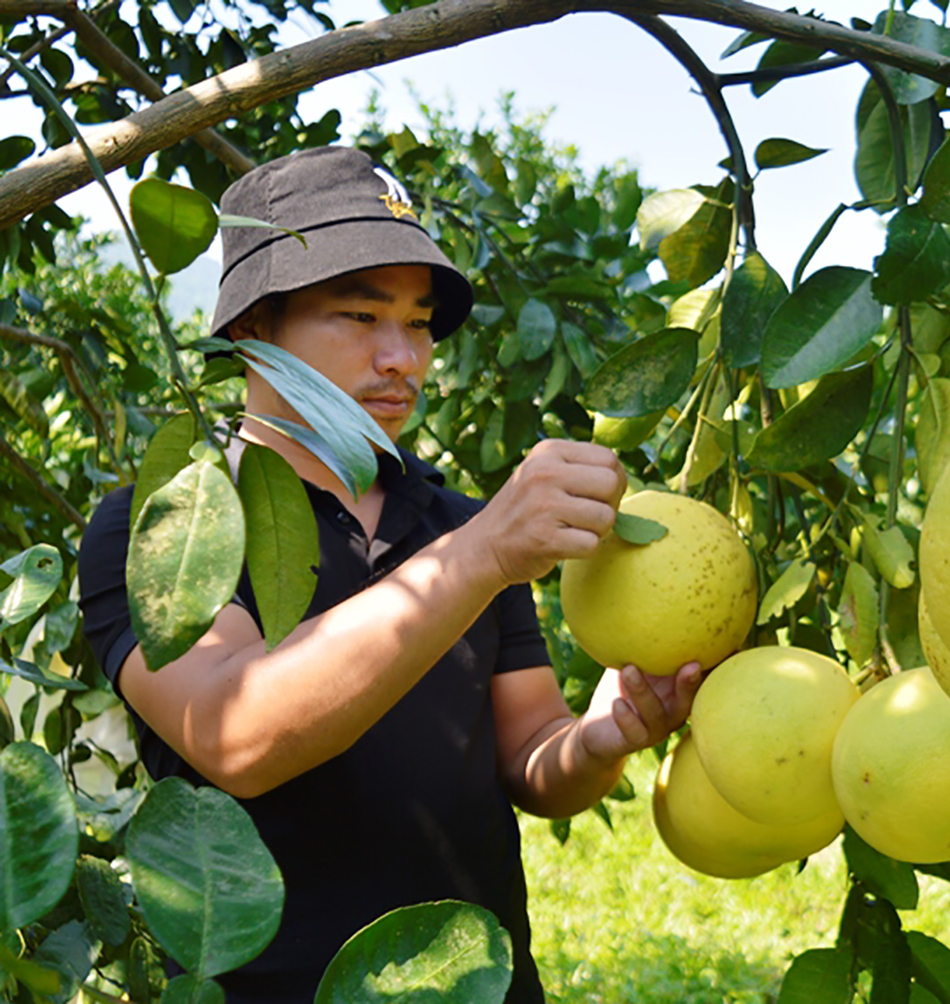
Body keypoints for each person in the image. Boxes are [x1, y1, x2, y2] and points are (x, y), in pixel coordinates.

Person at [77, 146, 703, 1003]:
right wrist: (483, 555)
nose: (402, 359)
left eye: (417, 324)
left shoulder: (458, 525)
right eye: (361, 317)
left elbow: (532, 756)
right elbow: (237, 734)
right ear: (255, 329)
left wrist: (602, 738)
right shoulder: (165, 531)